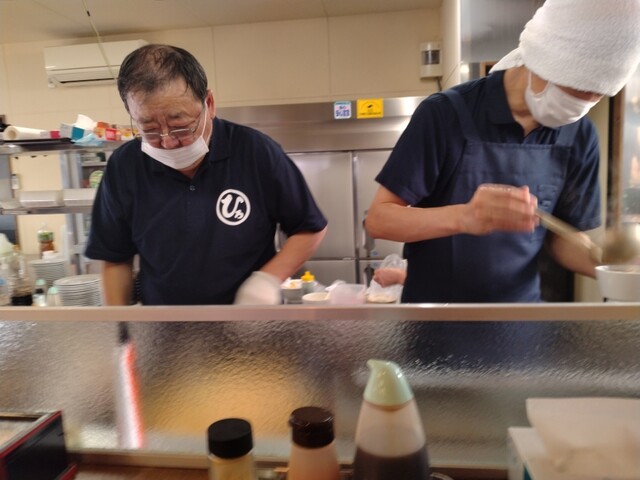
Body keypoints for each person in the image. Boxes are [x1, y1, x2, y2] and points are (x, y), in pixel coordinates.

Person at [365, 0, 640, 303]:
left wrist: (619, 270)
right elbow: (379, 220)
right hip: (437, 312)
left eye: (595, 97)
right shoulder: (445, 114)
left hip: (519, 314)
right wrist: (465, 216)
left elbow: (562, 239)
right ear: (544, 59)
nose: (580, 107)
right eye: (576, 91)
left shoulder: (580, 134)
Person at [85, 44, 327, 305]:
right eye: (150, 130)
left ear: (209, 104)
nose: (167, 142)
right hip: (163, 325)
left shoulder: (256, 152)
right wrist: (120, 324)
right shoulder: (125, 167)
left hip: (249, 321)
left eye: (180, 127)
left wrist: (266, 280)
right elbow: (114, 258)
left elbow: (309, 228)